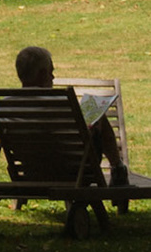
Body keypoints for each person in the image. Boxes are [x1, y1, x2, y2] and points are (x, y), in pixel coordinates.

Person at [14, 46, 128, 187]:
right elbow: (75, 138)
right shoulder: (58, 102)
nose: (53, 77)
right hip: (73, 171)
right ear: (43, 74)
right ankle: (118, 169)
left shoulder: (6, 104)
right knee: (99, 118)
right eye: (51, 72)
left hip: (32, 170)